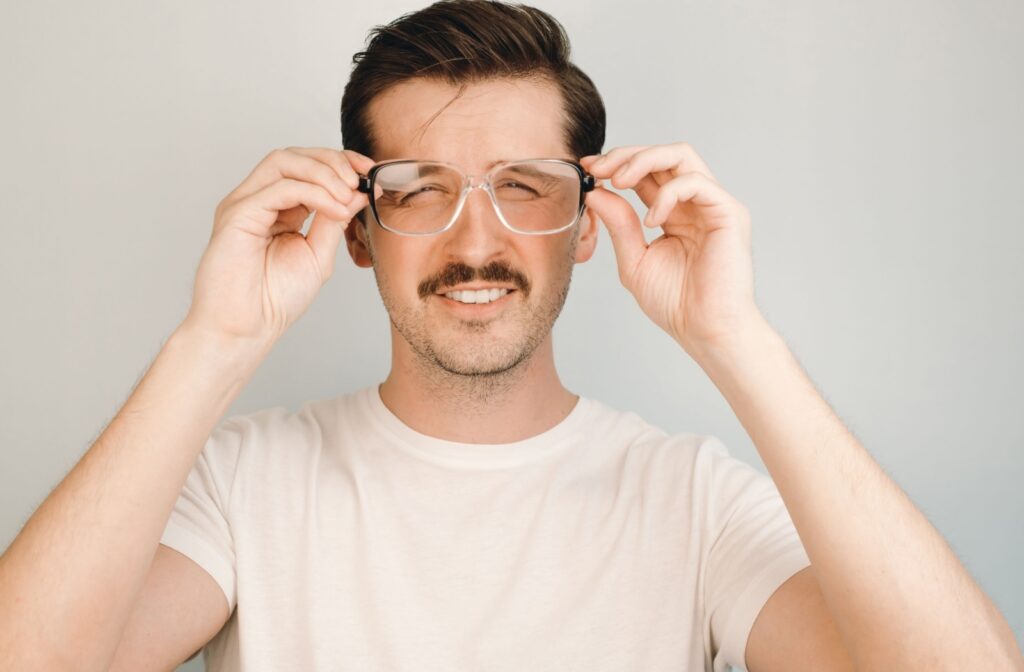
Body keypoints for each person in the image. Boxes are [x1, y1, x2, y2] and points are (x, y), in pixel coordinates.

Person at [1, 1, 1021, 670]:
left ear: (586, 226)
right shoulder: (243, 481)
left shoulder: (693, 498)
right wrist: (214, 339)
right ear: (359, 233)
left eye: (525, 190)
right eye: (421, 192)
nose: (475, 241)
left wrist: (735, 338)